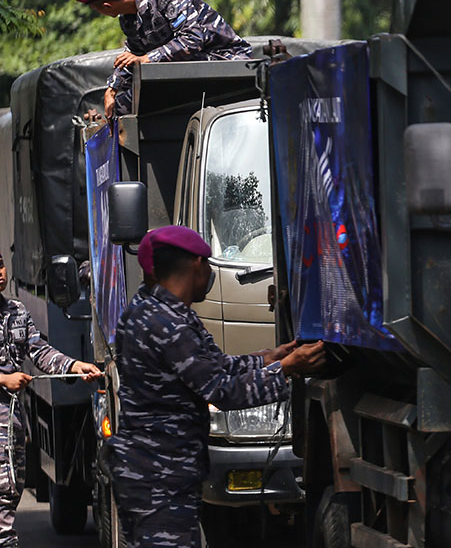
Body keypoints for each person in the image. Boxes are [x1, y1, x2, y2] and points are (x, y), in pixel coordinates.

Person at [104, 226, 326, 547]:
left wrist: (268, 358)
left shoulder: (153, 311)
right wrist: (288, 369)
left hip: (156, 473)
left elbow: (213, 366)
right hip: (159, 478)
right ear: (197, 264)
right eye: (208, 264)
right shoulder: (167, 325)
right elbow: (222, 391)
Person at [0, 241, 102, 547]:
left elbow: (38, 350)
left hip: (15, 416)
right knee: (2, 487)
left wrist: (74, 365)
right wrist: (1, 379)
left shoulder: (16, 310)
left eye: (0, 264)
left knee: (9, 490)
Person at [70, 0, 252, 119]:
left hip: (226, 60)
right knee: (121, 107)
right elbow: (131, 56)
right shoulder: (127, 20)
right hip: (189, 69)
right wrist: (112, 88)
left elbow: (193, 39)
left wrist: (147, 58)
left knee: (143, 98)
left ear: (106, 7)